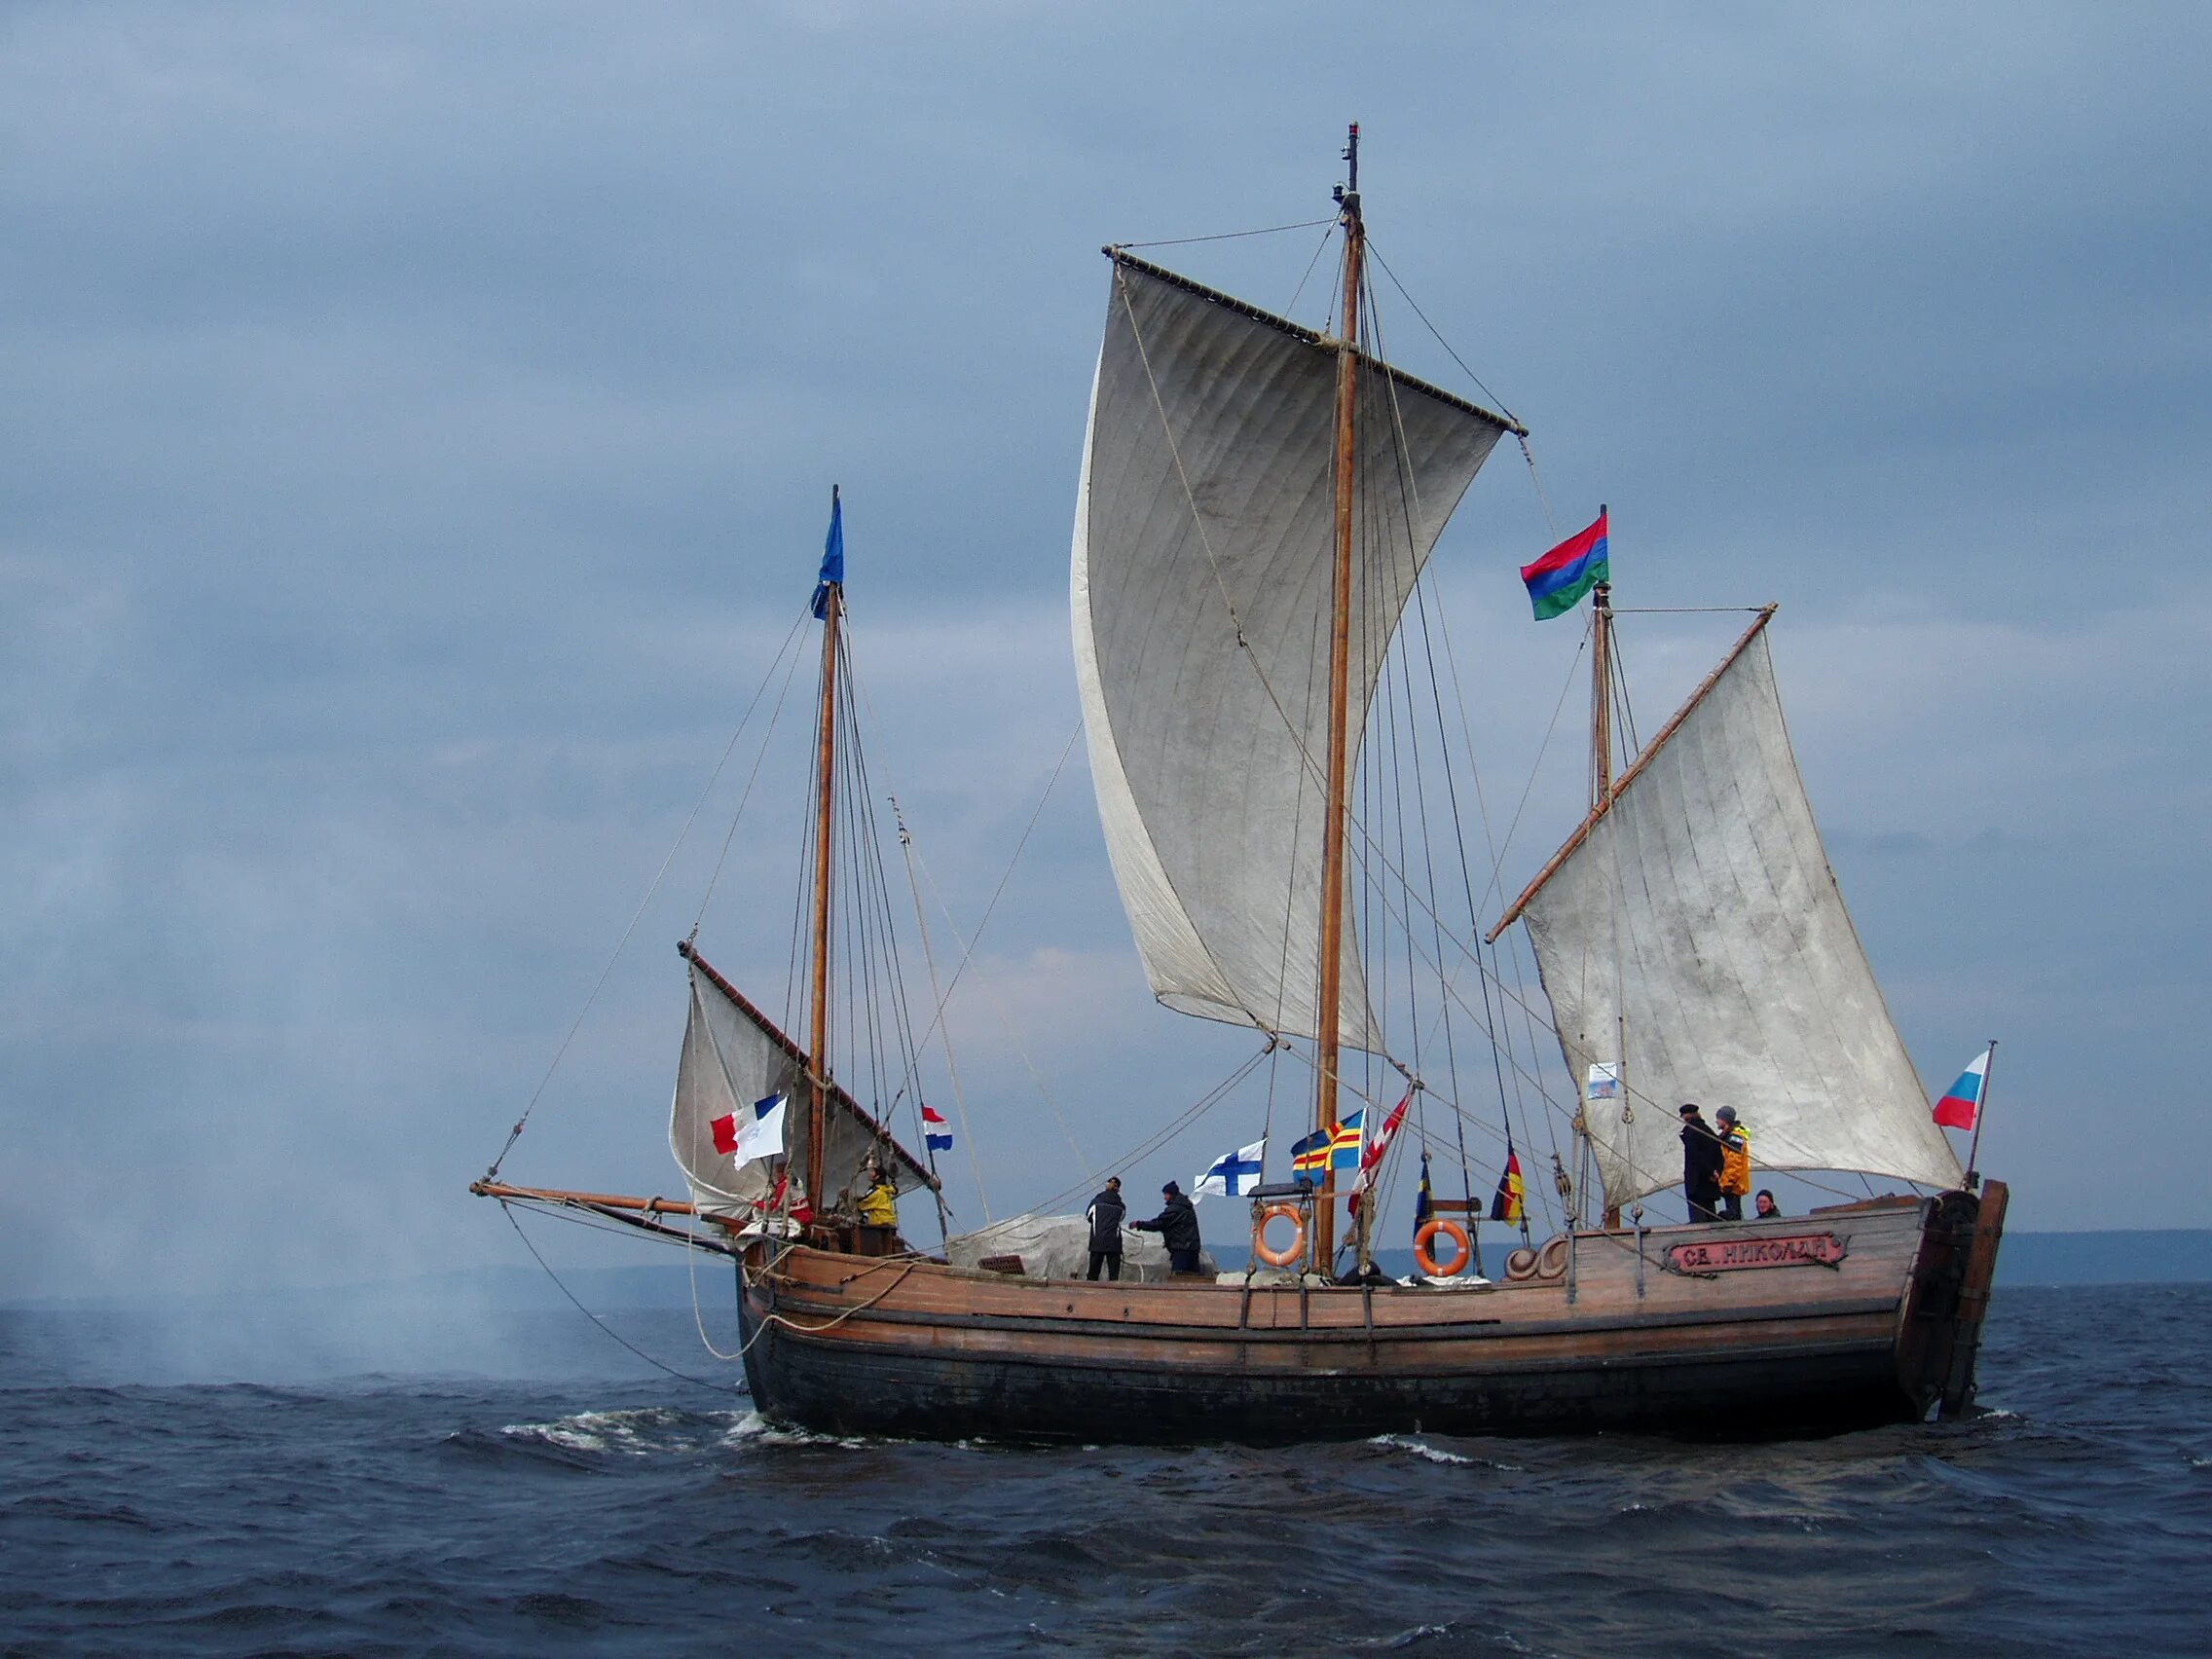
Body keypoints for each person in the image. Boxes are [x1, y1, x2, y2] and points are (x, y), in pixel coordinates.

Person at [1128, 1179, 1202, 1274]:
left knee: (1179, 1277)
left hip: (1181, 1248)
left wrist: (1139, 1224)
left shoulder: (1175, 1209)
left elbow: (1159, 1223)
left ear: (1171, 1194)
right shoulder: (1187, 1207)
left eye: (1166, 1194)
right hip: (1193, 1247)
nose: (1164, 1197)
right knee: (1193, 1277)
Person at [1678, 1103, 1724, 1223]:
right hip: (1710, 1182)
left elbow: (1696, 1156)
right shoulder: (1708, 1130)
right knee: (1710, 1216)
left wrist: (1709, 1170)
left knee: (1699, 1220)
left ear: (1687, 1116)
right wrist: (1716, 1172)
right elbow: (1719, 1155)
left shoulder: (1690, 1132)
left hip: (1697, 1182)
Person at [1085, 1176, 1126, 1281]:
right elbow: (1121, 1219)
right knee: (1113, 1276)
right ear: (1118, 1189)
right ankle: (1114, 1296)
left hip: (1097, 1240)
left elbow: (1089, 1217)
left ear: (1106, 1185)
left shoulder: (1096, 1201)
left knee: (1093, 1274)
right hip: (1114, 1243)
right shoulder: (1121, 1206)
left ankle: (1089, 1294)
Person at [1714, 1106, 1751, 1222]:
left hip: (1733, 1185)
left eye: (1718, 1118)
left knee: (1733, 1214)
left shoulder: (1734, 1138)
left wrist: (1726, 1184)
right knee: (1733, 1213)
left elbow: (1734, 1163)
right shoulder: (1729, 1136)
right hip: (1730, 1183)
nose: (1716, 1121)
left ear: (1725, 1120)